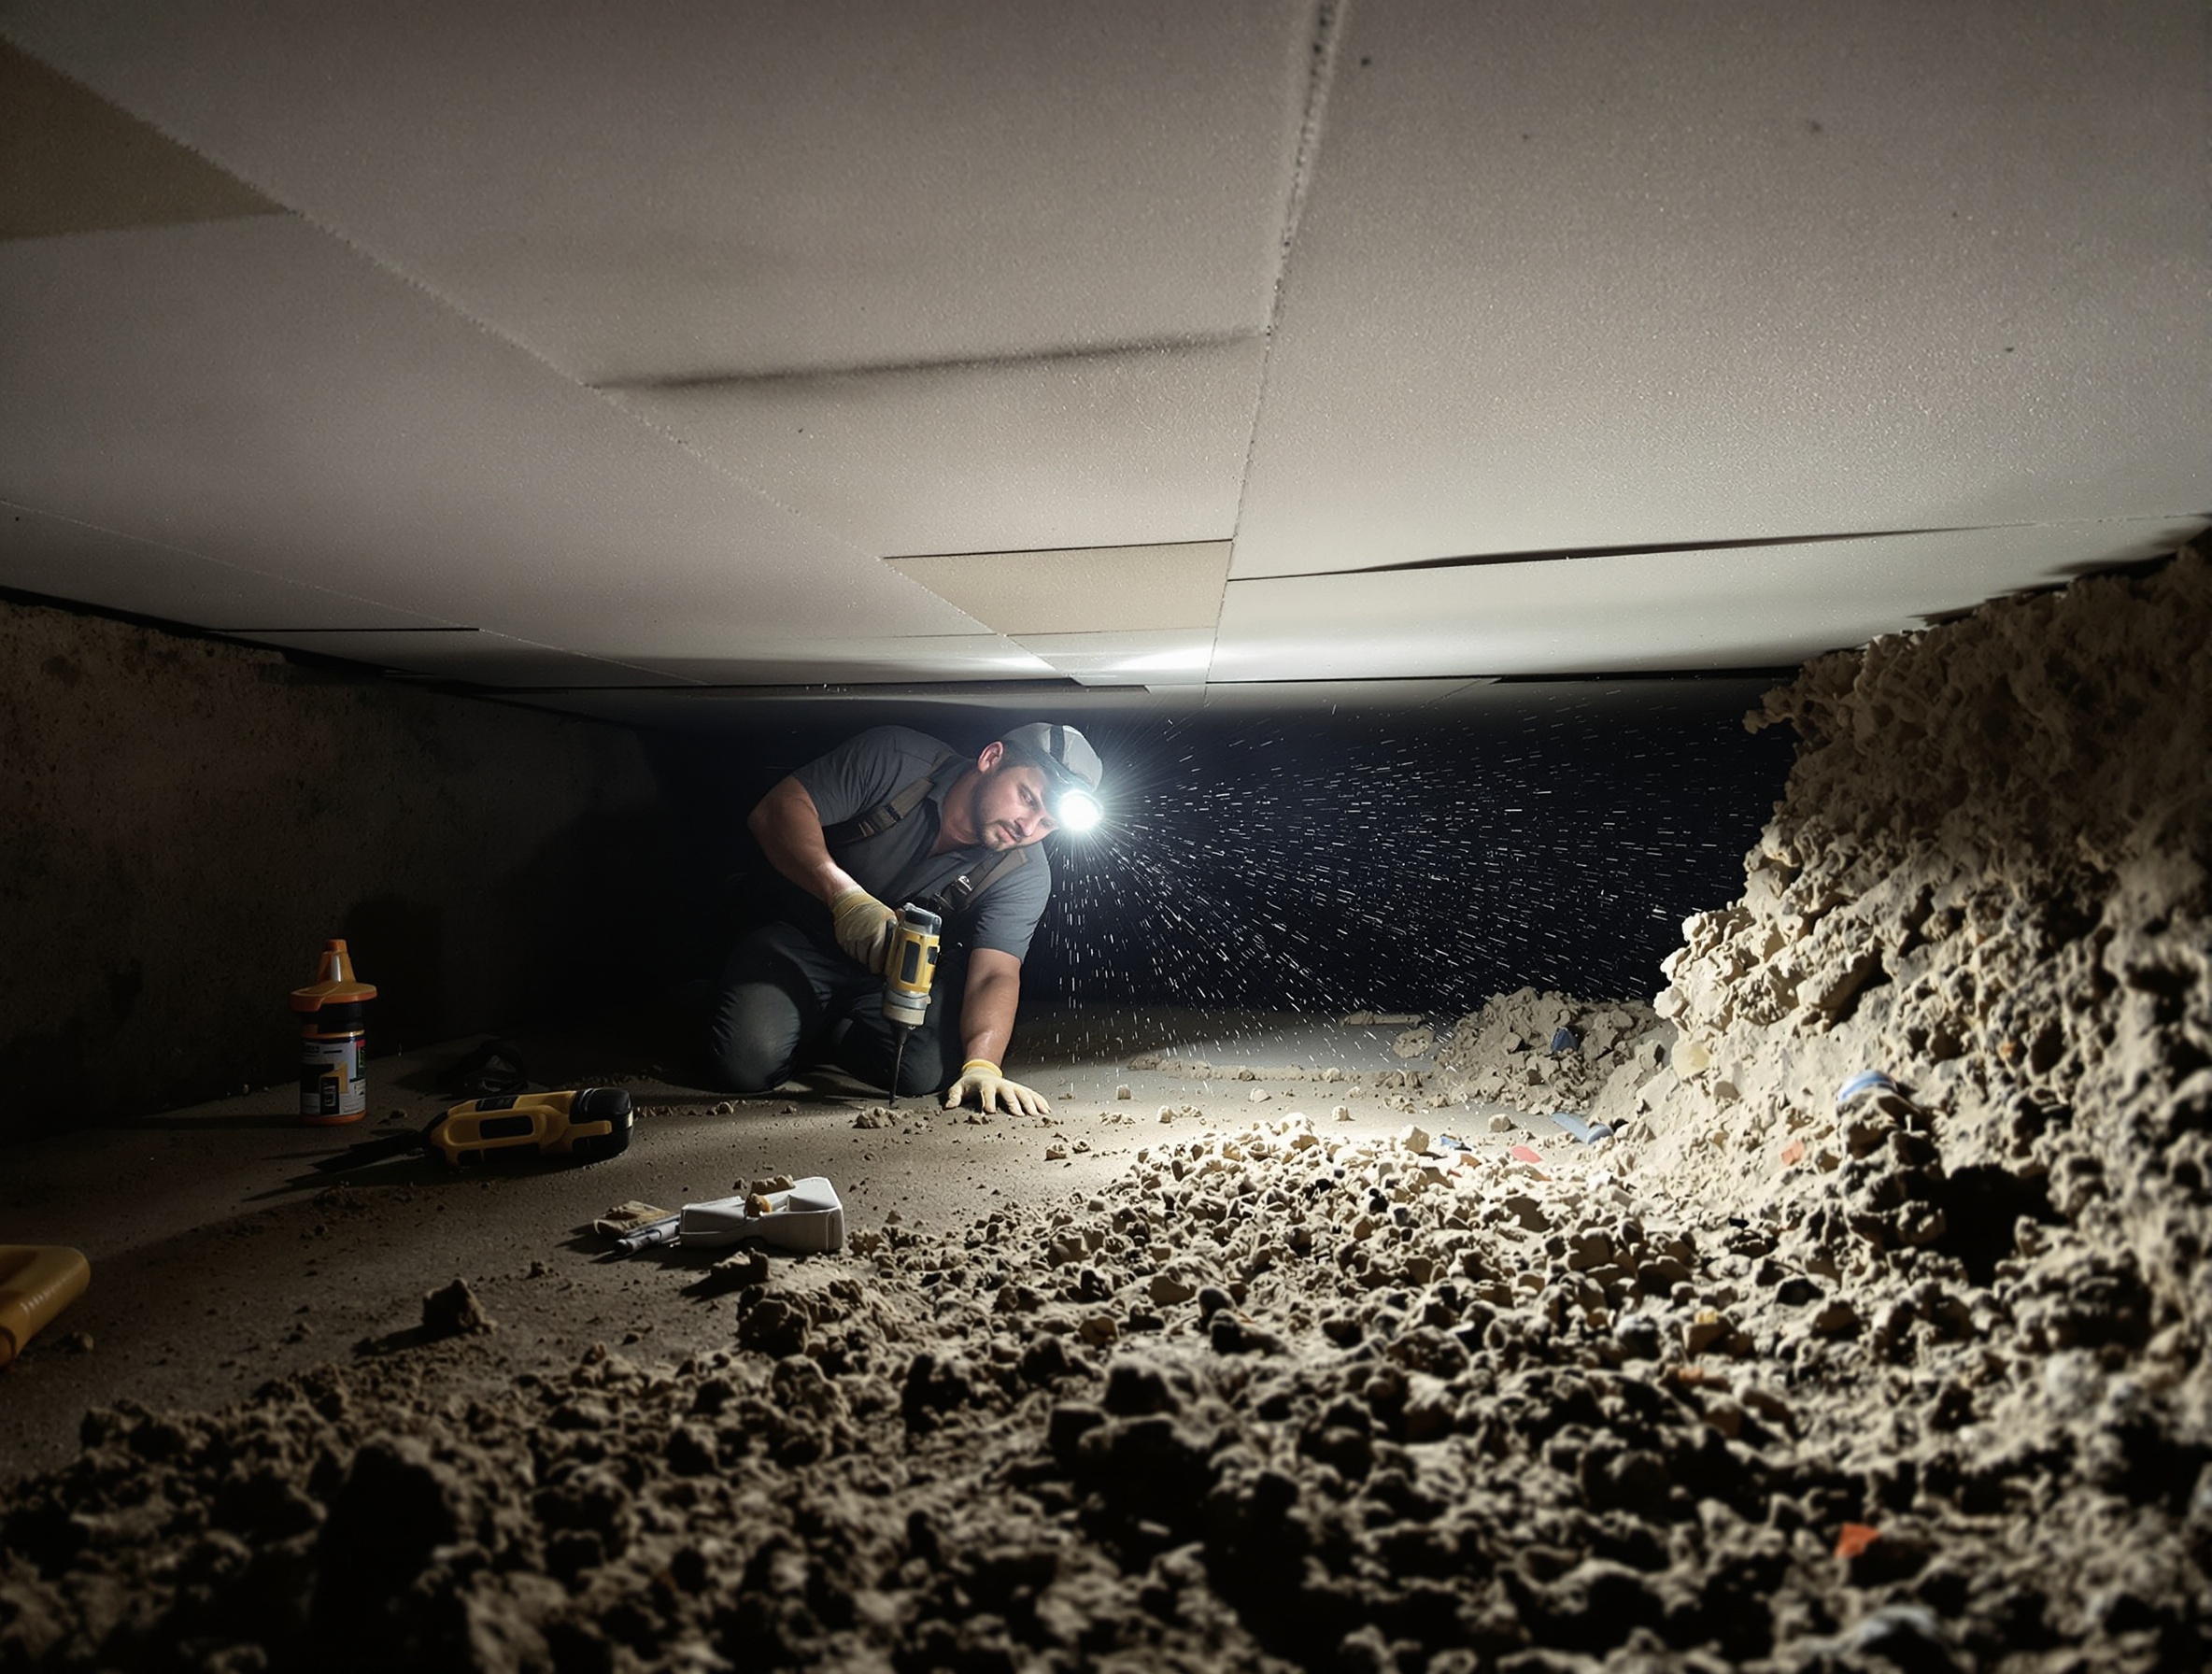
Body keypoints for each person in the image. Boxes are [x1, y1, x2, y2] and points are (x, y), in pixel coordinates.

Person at [705, 721, 1103, 1114]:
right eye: (1029, 799)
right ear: (991, 758)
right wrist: (846, 899)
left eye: (1048, 824)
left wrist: (984, 1065)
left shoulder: (1024, 872)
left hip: (889, 976)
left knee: (922, 1073)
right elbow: (776, 810)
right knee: (746, 1065)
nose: (1028, 827)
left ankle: (828, 1029)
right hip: (797, 939)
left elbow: (995, 973)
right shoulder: (896, 760)